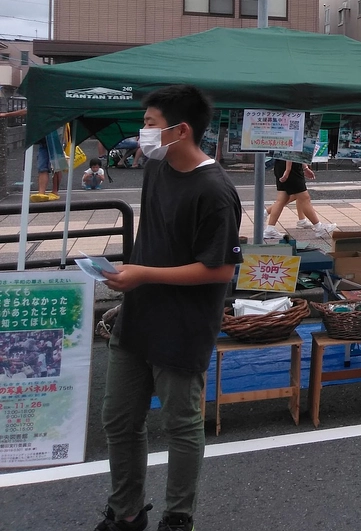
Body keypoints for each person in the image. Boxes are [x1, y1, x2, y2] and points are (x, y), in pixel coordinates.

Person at [98, 84, 244, 531]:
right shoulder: (157, 170)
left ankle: (178, 516)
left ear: (180, 130)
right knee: (119, 420)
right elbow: (156, 238)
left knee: (180, 425)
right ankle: (126, 512)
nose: (142, 133)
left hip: (183, 325)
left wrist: (144, 274)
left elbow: (219, 271)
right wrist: (132, 274)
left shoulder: (216, 191)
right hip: (138, 315)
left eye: (149, 124)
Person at [263, 159, 337, 239]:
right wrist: (288, 170)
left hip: (282, 164)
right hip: (291, 166)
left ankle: (270, 228)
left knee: (283, 198)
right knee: (304, 198)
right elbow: (292, 150)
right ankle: (318, 227)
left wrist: (304, 168)